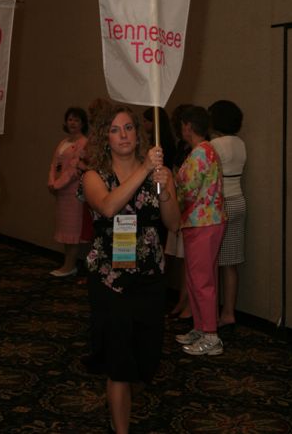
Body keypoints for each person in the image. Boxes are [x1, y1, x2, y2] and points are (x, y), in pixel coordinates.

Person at [82, 104, 180, 434]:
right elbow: (109, 206)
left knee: (145, 358)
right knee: (119, 361)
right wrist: (145, 171)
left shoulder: (158, 173)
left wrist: (165, 188)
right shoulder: (94, 175)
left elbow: (174, 223)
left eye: (128, 128)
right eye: (115, 129)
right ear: (104, 138)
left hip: (150, 278)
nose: (123, 135)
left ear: (139, 134)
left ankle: (120, 399)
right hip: (110, 279)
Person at [175, 106, 226, 356]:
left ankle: (211, 336)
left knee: (202, 280)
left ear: (188, 126)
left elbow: (186, 190)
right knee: (198, 278)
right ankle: (201, 326)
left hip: (202, 222)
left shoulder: (199, 153)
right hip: (203, 221)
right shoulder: (205, 150)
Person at [208, 100, 247, 329]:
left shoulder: (214, 144)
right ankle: (229, 312)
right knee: (231, 262)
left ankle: (210, 313)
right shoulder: (240, 143)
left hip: (220, 203)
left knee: (211, 261)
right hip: (239, 201)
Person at [48, 107, 89, 277]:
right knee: (65, 229)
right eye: (70, 119)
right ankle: (67, 264)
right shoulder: (63, 142)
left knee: (73, 231)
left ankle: (70, 265)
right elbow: (54, 164)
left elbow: (74, 169)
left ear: (82, 123)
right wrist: (51, 182)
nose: (72, 123)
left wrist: (57, 185)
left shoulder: (84, 143)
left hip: (73, 192)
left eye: (76, 120)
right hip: (60, 191)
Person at [165, 104, 193, 321]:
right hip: (178, 204)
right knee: (180, 258)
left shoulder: (198, 149)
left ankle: (186, 302)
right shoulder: (182, 146)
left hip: (188, 207)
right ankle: (182, 300)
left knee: (187, 259)